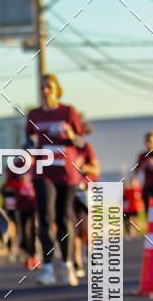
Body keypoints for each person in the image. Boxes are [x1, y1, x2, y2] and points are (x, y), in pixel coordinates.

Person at [26, 73, 86, 286]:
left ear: (56, 89)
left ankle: (68, 265)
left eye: (49, 87)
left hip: (66, 172)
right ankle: (49, 268)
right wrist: (30, 146)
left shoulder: (68, 112)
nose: (45, 91)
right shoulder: (34, 114)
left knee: (62, 219)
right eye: (42, 87)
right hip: (43, 171)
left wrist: (70, 135)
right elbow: (28, 142)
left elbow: (80, 143)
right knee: (44, 217)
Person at [2, 156, 39, 270]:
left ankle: (35, 256)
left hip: (35, 203)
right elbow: (9, 183)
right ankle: (29, 257)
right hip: (22, 205)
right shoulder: (17, 165)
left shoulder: (39, 165)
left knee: (35, 230)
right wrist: (20, 182)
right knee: (25, 230)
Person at [72, 136, 100, 278]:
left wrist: (85, 168)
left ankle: (91, 252)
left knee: (86, 227)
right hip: (70, 192)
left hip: (87, 193)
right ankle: (77, 262)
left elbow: (96, 170)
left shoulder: (86, 147)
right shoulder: (64, 148)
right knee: (74, 228)